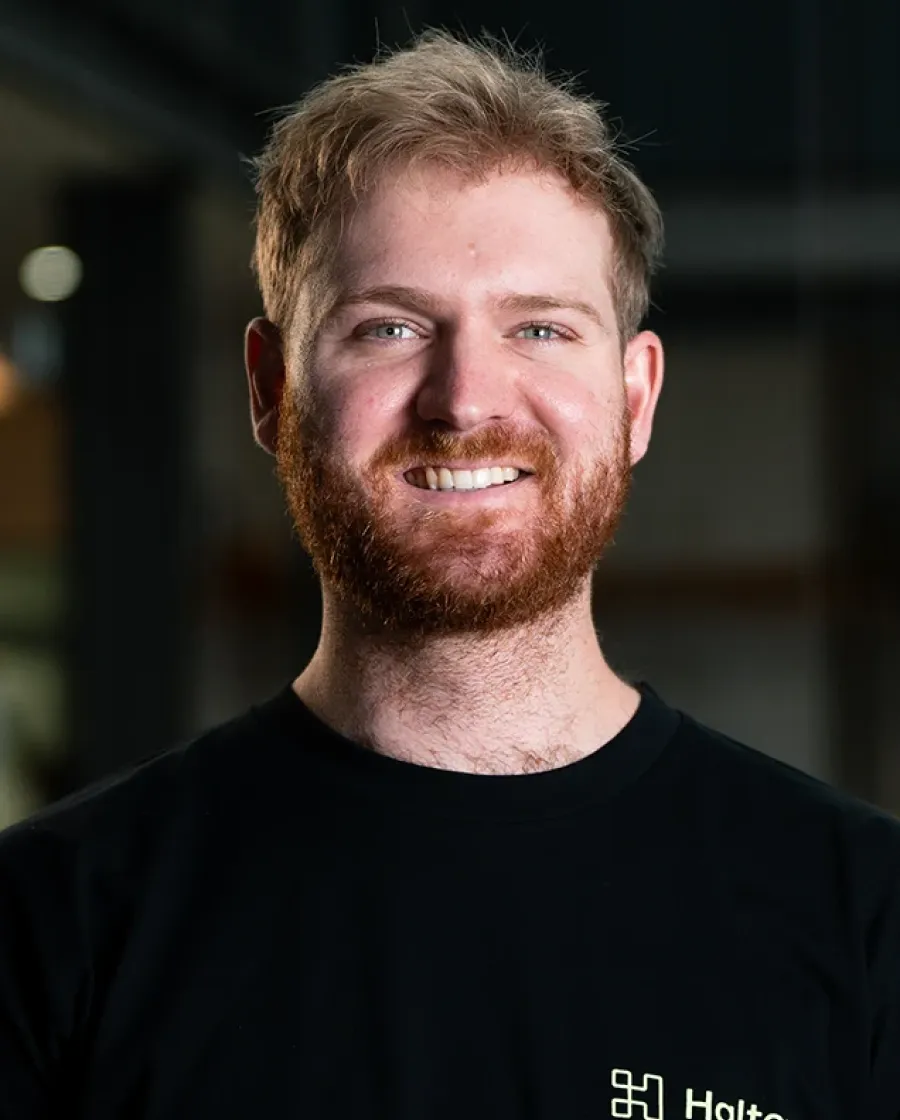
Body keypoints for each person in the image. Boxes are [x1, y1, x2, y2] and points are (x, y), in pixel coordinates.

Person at [1, 30, 898, 1120]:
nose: (466, 399)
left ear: (636, 396)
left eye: (539, 328)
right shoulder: (50, 925)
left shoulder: (863, 918)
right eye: (388, 326)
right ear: (272, 390)